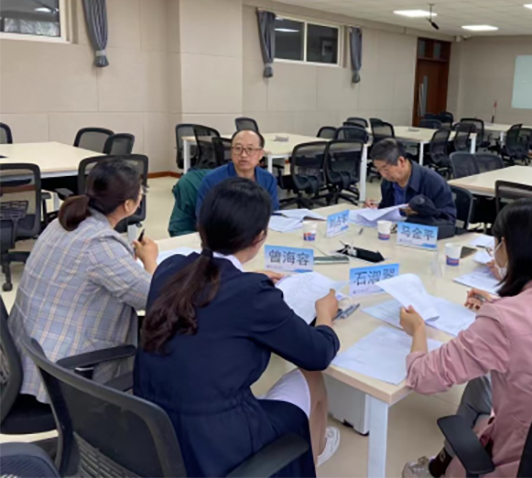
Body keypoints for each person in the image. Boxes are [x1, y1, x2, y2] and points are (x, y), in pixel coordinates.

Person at [135, 179, 341, 477]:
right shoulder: (252, 294)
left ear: (202, 226)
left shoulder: (169, 268)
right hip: (214, 446)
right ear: (260, 236)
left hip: (154, 431)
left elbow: (206, 293)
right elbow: (318, 353)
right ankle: (313, 454)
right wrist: (325, 315)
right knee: (311, 375)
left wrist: (243, 276)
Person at [400, 199, 532, 478]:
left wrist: (417, 330)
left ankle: (438, 468)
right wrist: (502, 304)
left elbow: (423, 378)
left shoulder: (504, 319)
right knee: (483, 385)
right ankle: (439, 464)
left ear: (507, 247)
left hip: (530, 465)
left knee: (482, 392)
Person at [9, 159, 157, 403]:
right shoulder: (100, 244)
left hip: (28, 355)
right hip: (63, 373)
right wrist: (150, 260)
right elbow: (154, 298)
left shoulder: (63, 222)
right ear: (129, 205)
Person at [366, 138, 456, 228]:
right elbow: (388, 210)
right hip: (395, 232)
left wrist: (421, 214)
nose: (383, 175)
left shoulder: (433, 183)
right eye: (379, 169)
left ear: (401, 161)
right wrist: (375, 209)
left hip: (421, 233)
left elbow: (449, 221)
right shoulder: (388, 182)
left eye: (386, 169)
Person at [195, 130, 279, 219]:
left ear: (261, 154)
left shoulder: (268, 180)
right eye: (238, 148)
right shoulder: (212, 180)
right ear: (231, 151)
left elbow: (273, 215)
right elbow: (202, 217)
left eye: (250, 149)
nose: (243, 155)